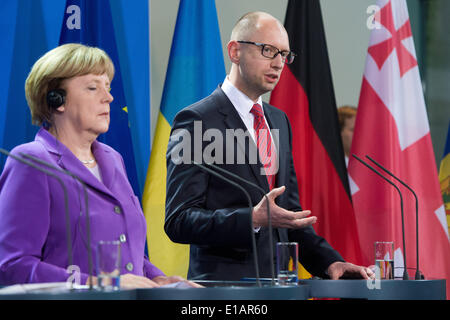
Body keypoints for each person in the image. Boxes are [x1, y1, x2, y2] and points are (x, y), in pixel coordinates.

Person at [165, 12, 374, 281]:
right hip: (223, 290)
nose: (278, 64)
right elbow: (179, 220)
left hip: (279, 284)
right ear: (235, 51)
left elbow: (288, 215)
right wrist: (250, 218)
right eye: (268, 51)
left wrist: (330, 262)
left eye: (284, 55)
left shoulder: (278, 120)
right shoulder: (197, 120)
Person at [0, 43, 197, 289]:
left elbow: (126, 253)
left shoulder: (113, 159)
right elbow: (12, 265)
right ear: (56, 100)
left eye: (108, 87)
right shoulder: (31, 162)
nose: (109, 97)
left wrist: (157, 278)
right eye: (93, 87)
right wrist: (98, 283)